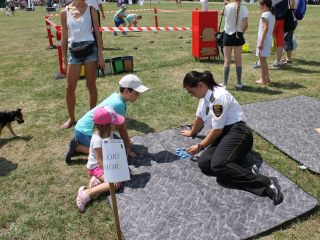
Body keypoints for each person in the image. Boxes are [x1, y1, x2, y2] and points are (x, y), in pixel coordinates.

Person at [181, 70, 283, 205]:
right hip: (225, 134)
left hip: (239, 133)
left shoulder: (218, 97)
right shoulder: (204, 96)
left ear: (200, 85)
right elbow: (199, 117)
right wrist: (193, 132)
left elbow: (217, 130)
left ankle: (266, 183)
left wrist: (200, 146)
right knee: (204, 164)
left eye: (191, 92)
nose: (191, 95)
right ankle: (242, 166)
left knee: (218, 166)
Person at [65, 74, 149, 163]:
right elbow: (122, 128)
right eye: (136, 93)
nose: (138, 95)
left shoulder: (117, 96)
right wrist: (128, 146)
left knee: (119, 146)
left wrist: (125, 144)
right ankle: (79, 147)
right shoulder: (119, 104)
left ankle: (84, 144)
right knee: (113, 155)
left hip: (95, 129)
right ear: (126, 91)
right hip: (85, 132)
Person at [60, 0, 104, 129]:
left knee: (91, 84)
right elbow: (64, 35)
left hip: (90, 50)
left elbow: (97, 32)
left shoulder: (92, 10)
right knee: (69, 88)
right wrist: (63, 58)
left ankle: (92, 116)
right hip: (73, 52)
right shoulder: (64, 12)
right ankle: (72, 119)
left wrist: (100, 55)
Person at [76, 106, 124, 212]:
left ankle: (97, 180)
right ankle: (87, 193)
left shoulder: (109, 133)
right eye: (114, 122)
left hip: (105, 163)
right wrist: (111, 175)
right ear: (107, 125)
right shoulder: (98, 139)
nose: (116, 123)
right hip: (97, 166)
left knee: (122, 173)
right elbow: (99, 160)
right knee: (116, 184)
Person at [221, 0, 248, 89]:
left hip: (228, 35)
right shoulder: (244, 8)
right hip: (238, 34)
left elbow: (222, 14)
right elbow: (245, 25)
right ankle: (239, 83)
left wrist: (225, 4)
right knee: (238, 60)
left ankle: (225, 84)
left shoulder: (228, 7)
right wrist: (241, 33)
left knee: (227, 60)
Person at [255, 0, 275, 84]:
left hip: (264, 40)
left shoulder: (265, 15)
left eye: (260, 5)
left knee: (262, 61)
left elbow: (265, 28)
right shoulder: (272, 14)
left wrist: (261, 42)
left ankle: (263, 79)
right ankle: (267, 79)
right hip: (268, 39)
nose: (259, 6)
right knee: (264, 60)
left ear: (264, 5)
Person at [282, 0, 297, 65]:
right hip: (291, 20)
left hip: (289, 22)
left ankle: (288, 59)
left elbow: (292, 5)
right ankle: (287, 57)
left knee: (287, 40)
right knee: (288, 39)